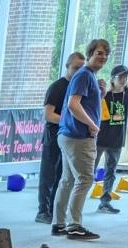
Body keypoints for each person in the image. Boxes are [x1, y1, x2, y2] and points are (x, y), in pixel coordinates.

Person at [52, 39, 110, 240]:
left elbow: (86, 103)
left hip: (70, 135)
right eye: (99, 53)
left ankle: (59, 223)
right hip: (78, 136)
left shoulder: (90, 76)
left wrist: (101, 94)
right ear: (90, 54)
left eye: (105, 54)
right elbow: (73, 105)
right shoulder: (84, 75)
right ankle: (74, 224)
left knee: (67, 180)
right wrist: (92, 125)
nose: (102, 57)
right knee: (84, 179)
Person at [36, 52, 86, 223]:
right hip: (53, 137)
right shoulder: (57, 87)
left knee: (63, 176)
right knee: (48, 175)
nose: (78, 71)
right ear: (67, 66)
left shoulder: (80, 88)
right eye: (75, 68)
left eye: (81, 69)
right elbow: (49, 115)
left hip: (69, 138)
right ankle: (43, 211)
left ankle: (55, 210)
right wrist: (69, 121)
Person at [95, 65, 128, 214]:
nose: (124, 79)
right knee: (89, 170)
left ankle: (105, 202)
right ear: (113, 78)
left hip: (117, 139)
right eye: (121, 76)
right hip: (100, 137)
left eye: (126, 77)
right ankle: (76, 200)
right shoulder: (104, 94)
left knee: (110, 171)